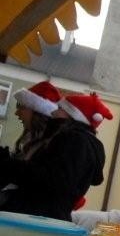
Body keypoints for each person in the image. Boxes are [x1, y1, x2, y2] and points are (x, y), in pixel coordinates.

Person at [0, 88, 107, 221]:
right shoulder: (76, 140)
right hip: (39, 217)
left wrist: (8, 165)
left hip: (34, 218)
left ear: (72, 115)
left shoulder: (75, 140)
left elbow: (52, 180)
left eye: (60, 108)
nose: (53, 111)